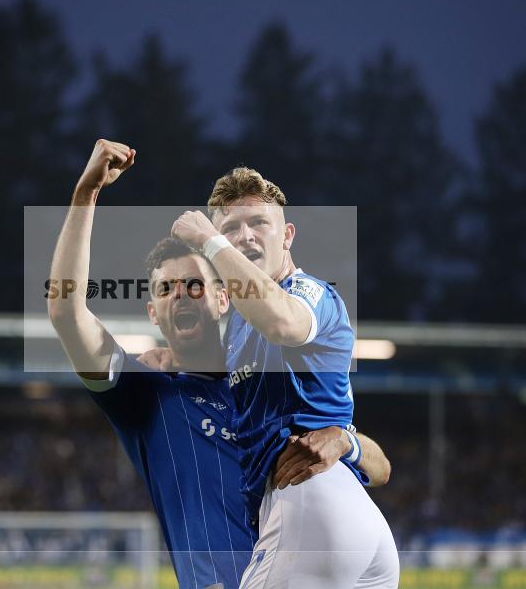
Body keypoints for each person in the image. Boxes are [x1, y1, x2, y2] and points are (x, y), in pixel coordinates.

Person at [48, 140, 392, 589]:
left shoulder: (261, 376)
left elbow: (381, 467)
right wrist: (86, 193)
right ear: (153, 313)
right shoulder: (146, 392)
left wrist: (344, 440)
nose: (180, 294)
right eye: (166, 289)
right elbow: (66, 312)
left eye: (194, 284)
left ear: (224, 296)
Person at [160, 167, 399, 588]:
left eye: (258, 222)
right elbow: (378, 464)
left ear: (287, 235)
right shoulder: (237, 328)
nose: (245, 235)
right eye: (230, 227)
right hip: (345, 519)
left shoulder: (308, 292)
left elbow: (285, 324)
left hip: (308, 506)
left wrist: (210, 241)